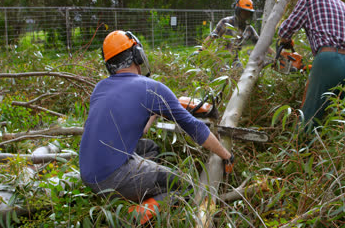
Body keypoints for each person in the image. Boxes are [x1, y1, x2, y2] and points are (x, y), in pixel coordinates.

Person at [79, 30, 234, 220]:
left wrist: (155, 111)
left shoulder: (100, 87)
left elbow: (141, 130)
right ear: (137, 55)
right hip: (112, 178)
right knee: (184, 186)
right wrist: (226, 155)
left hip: (88, 173)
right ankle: (132, 218)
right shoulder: (150, 87)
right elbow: (195, 127)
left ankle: (139, 193)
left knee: (151, 148)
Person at [278, 0, 345, 131]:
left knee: (310, 114)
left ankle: (300, 149)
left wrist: (285, 40)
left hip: (328, 59)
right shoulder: (344, 6)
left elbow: (285, 30)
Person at [199, 0, 274, 68]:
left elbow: (261, 43)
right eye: (244, 12)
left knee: (241, 75)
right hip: (220, 59)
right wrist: (200, 51)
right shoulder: (225, 22)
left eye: (248, 12)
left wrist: (275, 56)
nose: (246, 15)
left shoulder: (249, 29)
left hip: (234, 61)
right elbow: (212, 37)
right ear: (238, 11)